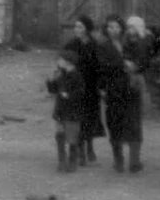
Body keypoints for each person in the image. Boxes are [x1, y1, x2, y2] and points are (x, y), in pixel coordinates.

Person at [97, 14, 147, 173]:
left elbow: (142, 61)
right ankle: (118, 159)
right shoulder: (102, 46)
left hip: (131, 89)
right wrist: (122, 64)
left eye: (117, 27)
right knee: (114, 124)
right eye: (110, 27)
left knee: (133, 124)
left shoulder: (130, 43)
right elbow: (102, 66)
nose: (113, 30)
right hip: (114, 90)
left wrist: (135, 66)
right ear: (106, 29)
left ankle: (134, 162)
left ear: (121, 28)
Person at [62, 15, 105, 165]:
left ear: (87, 29)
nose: (76, 29)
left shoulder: (95, 45)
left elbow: (100, 67)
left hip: (91, 87)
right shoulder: (71, 45)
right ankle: (81, 151)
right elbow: (64, 65)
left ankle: (90, 148)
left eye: (80, 27)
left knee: (91, 118)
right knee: (78, 118)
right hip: (76, 87)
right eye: (75, 26)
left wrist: (101, 86)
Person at [46, 48, 86, 173]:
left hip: (72, 111)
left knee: (72, 138)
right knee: (60, 135)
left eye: (61, 59)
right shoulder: (60, 74)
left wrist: (69, 95)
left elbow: (81, 92)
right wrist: (51, 80)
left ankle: (72, 161)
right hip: (60, 110)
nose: (58, 61)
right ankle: (61, 161)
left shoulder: (77, 76)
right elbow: (52, 90)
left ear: (69, 62)